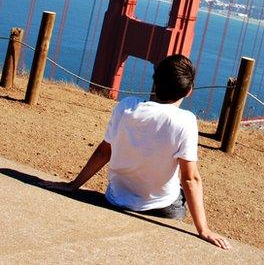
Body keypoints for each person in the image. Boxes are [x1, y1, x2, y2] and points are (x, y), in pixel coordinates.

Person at [44, 54, 231, 249]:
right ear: (189, 91)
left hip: (116, 200)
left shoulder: (126, 106)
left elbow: (103, 152)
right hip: (163, 209)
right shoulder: (186, 121)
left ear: (155, 82)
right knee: (180, 192)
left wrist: (73, 185)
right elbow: (190, 179)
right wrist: (204, 230)